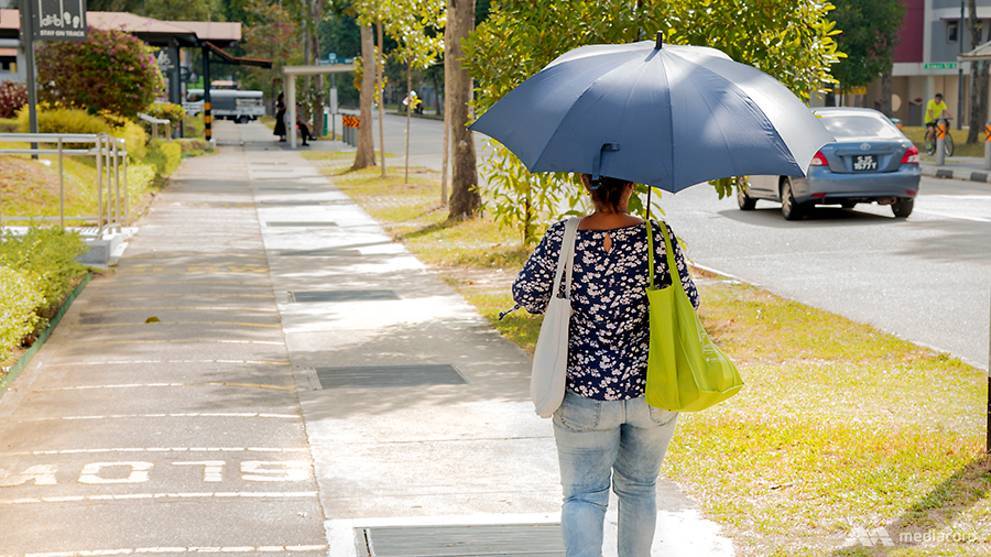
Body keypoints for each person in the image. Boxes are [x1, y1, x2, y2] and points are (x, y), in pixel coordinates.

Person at [512, 175, 699, 557]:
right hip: (654, 390)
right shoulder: (657, 237)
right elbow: (689, 302)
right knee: (640, 489)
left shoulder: (563, 237)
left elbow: (526, 296)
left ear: (586, 184)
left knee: (583, 496)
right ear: (631, 186)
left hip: (582, 393)